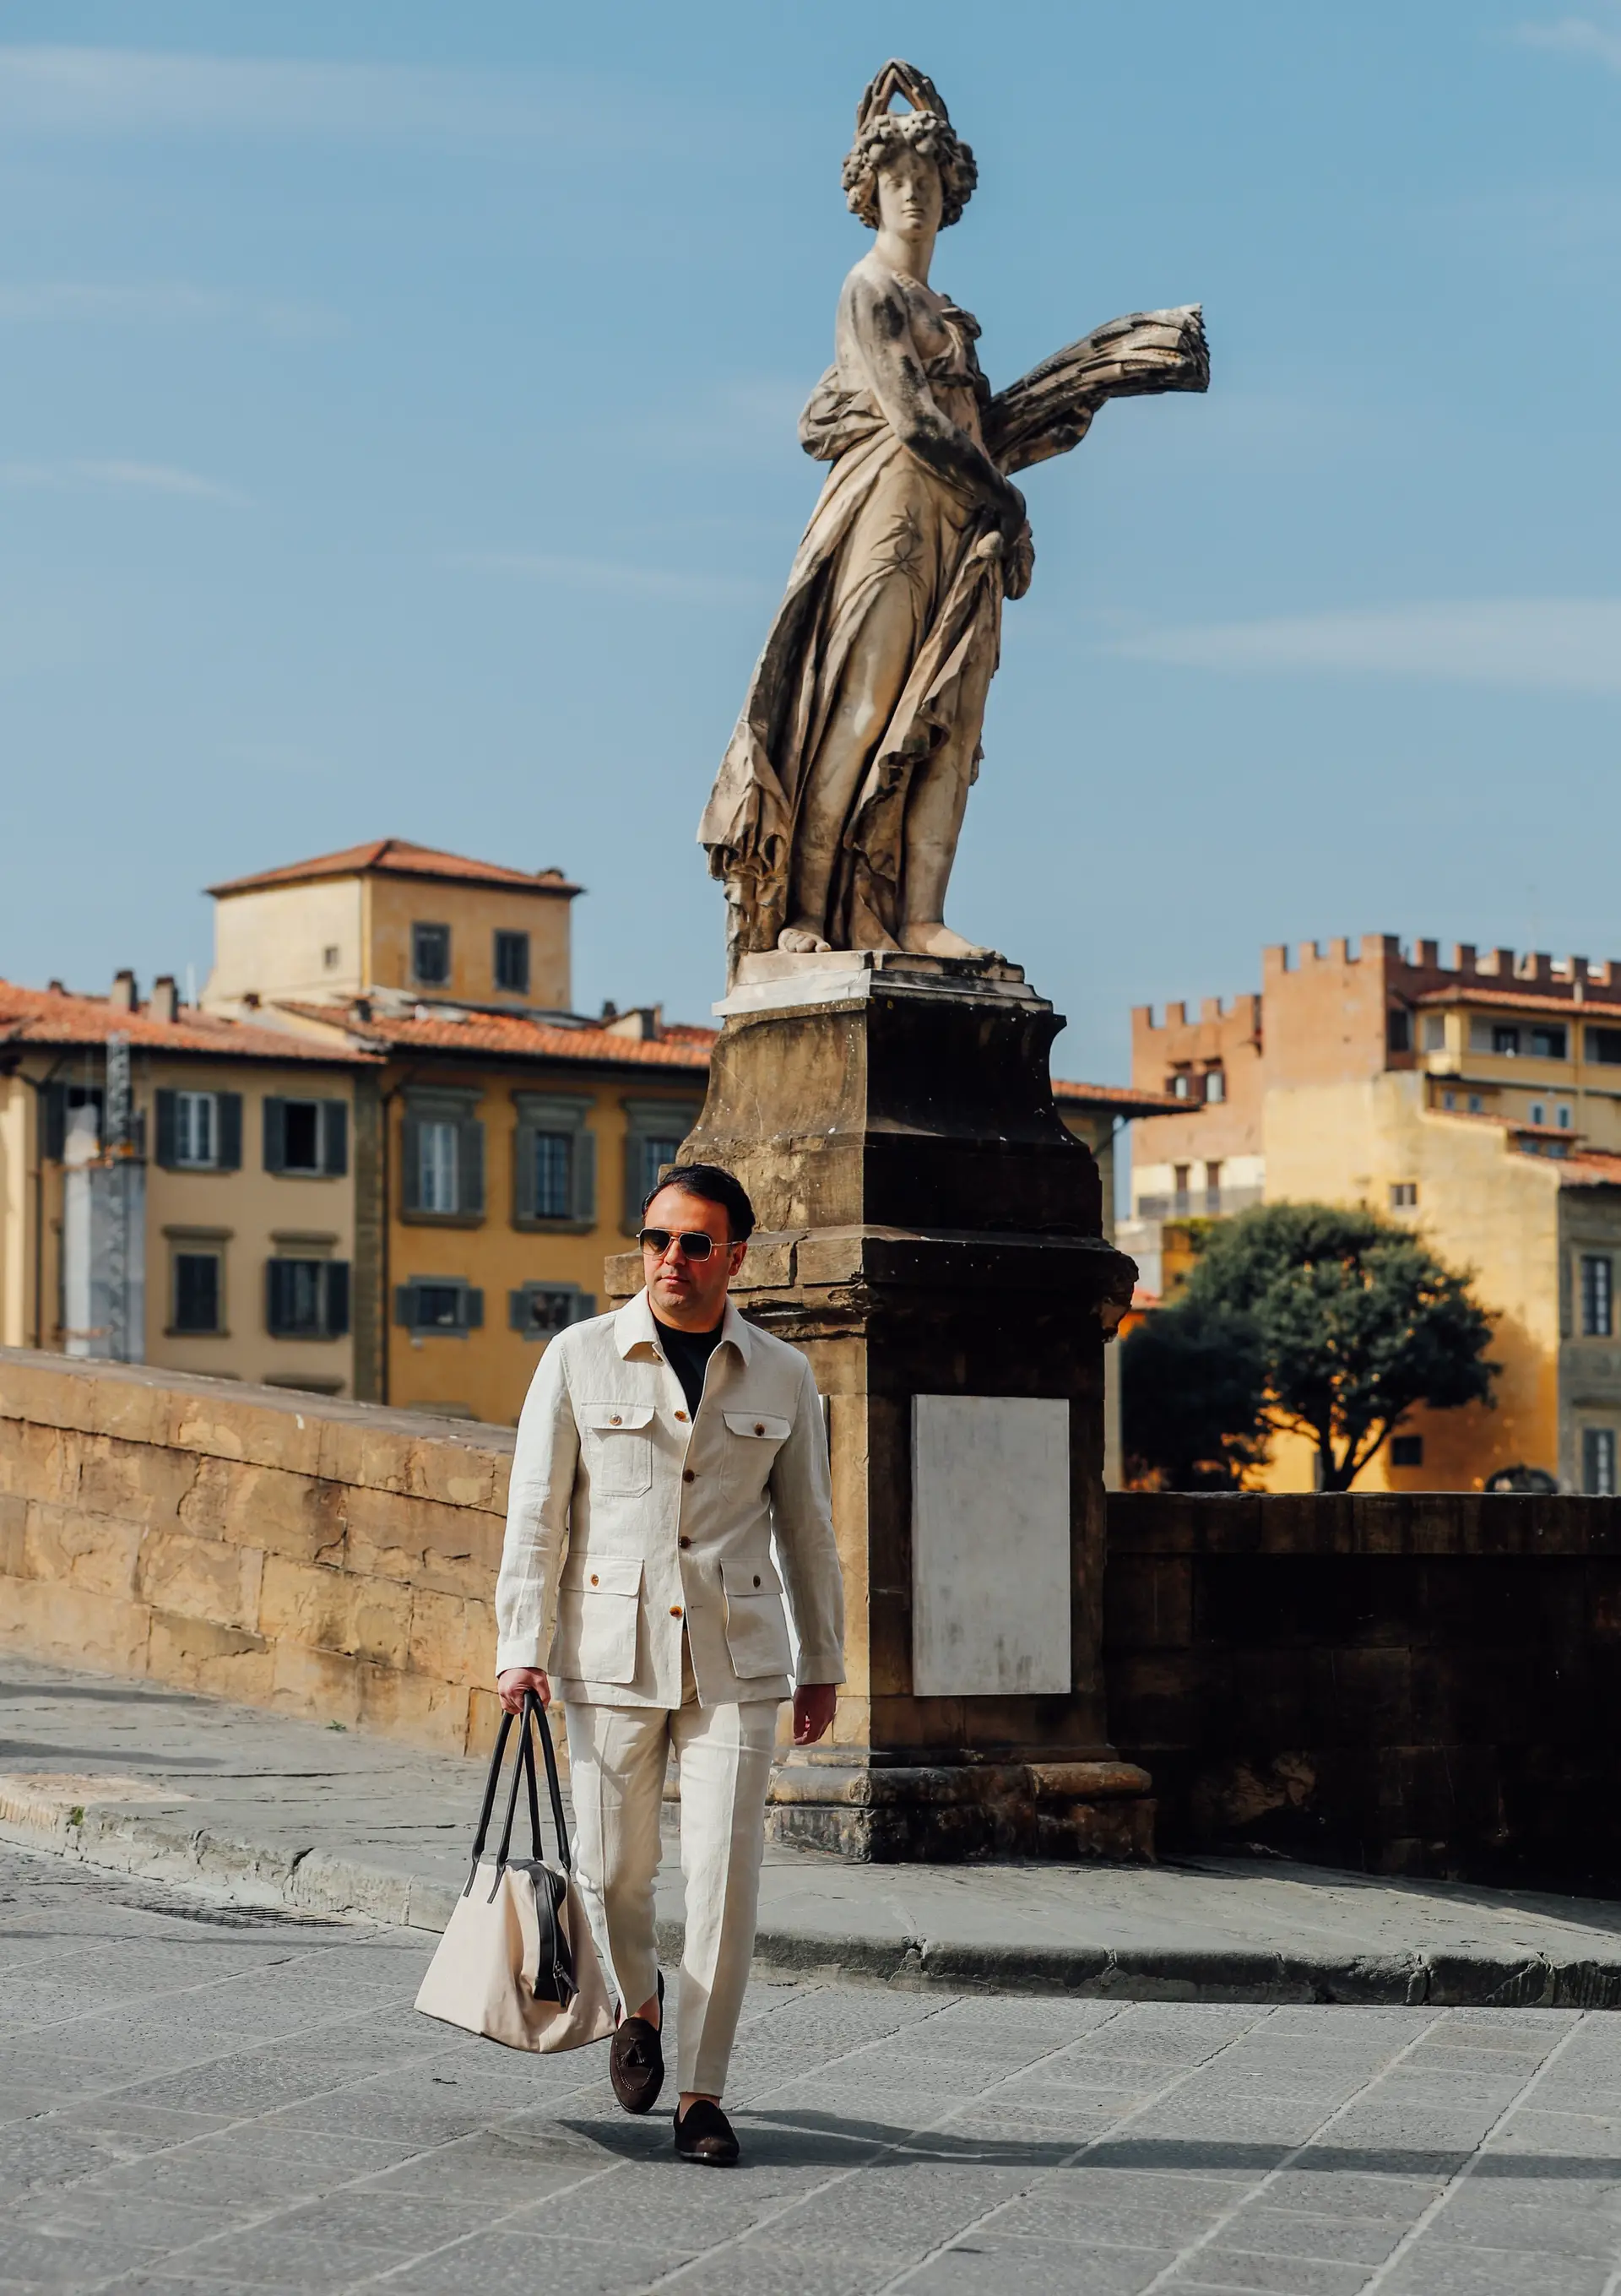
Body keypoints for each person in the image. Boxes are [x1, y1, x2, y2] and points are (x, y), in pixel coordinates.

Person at [494, 1163, 845, 2166]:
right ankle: (639, 1999)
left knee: (729, 1880)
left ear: (737, 1254)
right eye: (657, 1240)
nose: (672, 1261)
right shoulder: (576, 1356)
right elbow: (536, 1516)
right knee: (611, 1872)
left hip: (738, 1657)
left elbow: (810, 1530)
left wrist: (823, 1659)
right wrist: (520, 1647)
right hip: (608, 1652)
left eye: (695, 1243)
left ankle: (703, 2093)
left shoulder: (783, 1373)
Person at [698, 61, 1033, 969]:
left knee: (948, 724)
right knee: (865, 707)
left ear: (949, 191)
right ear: (871, 194)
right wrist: (1007, 497)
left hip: (960, 526)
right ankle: (808, 910)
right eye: (896, 183)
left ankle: (920, 914)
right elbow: (917, 422)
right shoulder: (871, 290)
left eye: (927, 181)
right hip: (892, 512)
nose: (913, 195)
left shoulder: (943, 310)